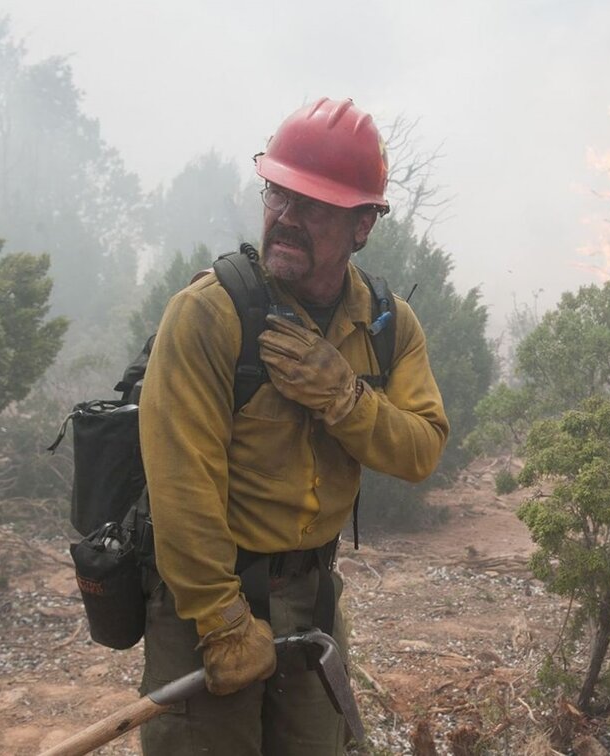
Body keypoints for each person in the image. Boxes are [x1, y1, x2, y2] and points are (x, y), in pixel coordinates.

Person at [137, 97, 449, 755]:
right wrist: (222, 623)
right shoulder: (210, 315)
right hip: (205, 599)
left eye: (312, 206)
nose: (285, 218)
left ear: (362, 224)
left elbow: (422, 448)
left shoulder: (389, 328)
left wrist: (346, 400)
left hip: (311, 602)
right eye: (278, 195)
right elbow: (180, 487)